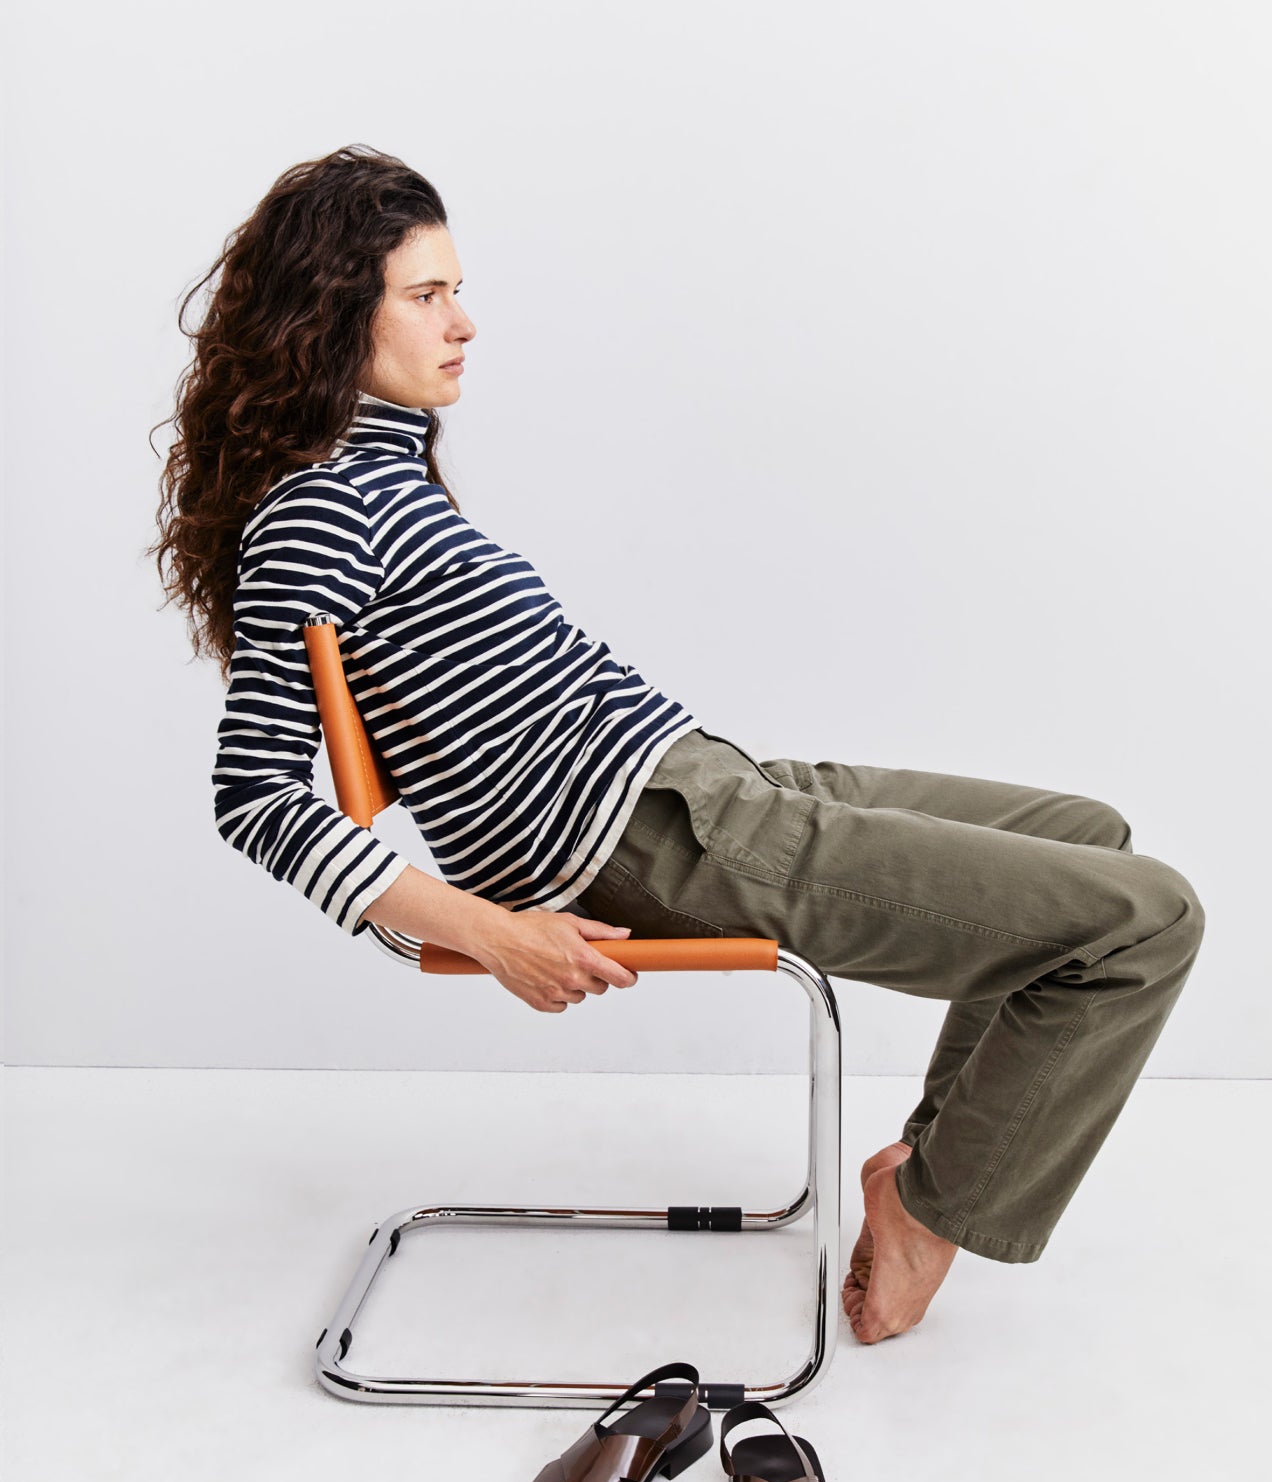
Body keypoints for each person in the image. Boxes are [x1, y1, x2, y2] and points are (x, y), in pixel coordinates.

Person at [153, 146, 1206, 1349]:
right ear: (337, 311)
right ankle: (932, 1206)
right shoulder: (321, 505)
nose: (467, 322)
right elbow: (257, 794)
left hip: (708, 786)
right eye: (428, 296)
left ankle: (928, 1168)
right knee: (1149, 920)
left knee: (1091, 837)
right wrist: (490, 930)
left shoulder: (390, 474)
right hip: (665, 847)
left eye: (458, 291)